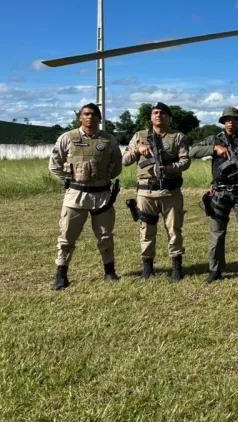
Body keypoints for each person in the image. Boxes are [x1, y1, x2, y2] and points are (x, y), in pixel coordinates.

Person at [190, 107, 238, 284]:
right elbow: (192, 152)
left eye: (234, 119)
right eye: (227, 119)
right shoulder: (215, 138)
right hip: (219, 192)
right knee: (217, 232)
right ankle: (215, 269)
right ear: (223, 121)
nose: (230, 122)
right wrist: (214, 148)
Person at [48, 103, 123, 290]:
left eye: (94, 114)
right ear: (80, 117)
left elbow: (117, 165)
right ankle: (61, 275)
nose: (90, 117)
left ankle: (110, 272)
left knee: (105, 236)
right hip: (76, 195)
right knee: (67, 237)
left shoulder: (109, 140)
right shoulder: (68, 138)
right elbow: (54, 164)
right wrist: (69, 180)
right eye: (86, 114)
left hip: (102, 196)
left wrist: (104, 177)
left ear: (99, 118)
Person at [122, 102, 190, 281]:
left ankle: (176, 266)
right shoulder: (139, 136)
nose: (158, 115)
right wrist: (138, 149)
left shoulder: (177, 137)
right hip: (146, 192)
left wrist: (168, 168)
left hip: (170, 191)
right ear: (151, 117)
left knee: (174, 229)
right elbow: (125, 160)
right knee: (146, 229)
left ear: (169, 117)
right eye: (155, 113)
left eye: (162, 113)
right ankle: (148, 267)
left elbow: (185, 161)